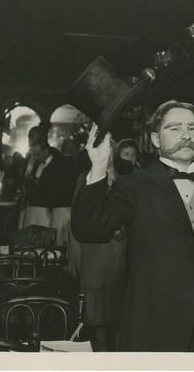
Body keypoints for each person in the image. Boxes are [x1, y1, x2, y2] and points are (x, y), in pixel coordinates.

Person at [72, 100, 194, 351]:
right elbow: (90, 229)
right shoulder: (135, 185)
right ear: (155, 139)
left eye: (193, 128)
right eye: (174, 129)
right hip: (153, 327)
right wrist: (98, 166)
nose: (186, 135)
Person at [73, 141, 128, 351]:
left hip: (120, 248)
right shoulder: (85, 179)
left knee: (117, 294)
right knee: (96, 299)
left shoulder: (126, 179)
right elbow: (80, 214)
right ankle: (102, 348)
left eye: (111, 148)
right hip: (95, 247)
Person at [21, 125, 78, 247]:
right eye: (30, 137)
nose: (31, 140)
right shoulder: (31, 161)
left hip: (49, 209)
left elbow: (56, 188)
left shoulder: (58, 161)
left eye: (34, 137)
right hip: (34, 207)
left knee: (49, 243)